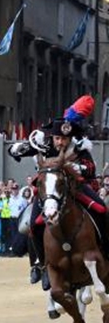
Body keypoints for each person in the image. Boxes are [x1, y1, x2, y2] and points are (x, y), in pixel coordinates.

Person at [9, 95, 105, 283]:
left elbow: (91, 168)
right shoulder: (44, 145)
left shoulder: (78, 148)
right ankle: (40, 265)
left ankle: (106, 249)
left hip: (75, 189)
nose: (60, 142)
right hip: (49, 192)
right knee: (34, 224)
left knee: (102, 209)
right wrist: (15, 149)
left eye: (64, 139)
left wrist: (79, 168)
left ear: (70, 138)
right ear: (52, 137)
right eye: (58, 138)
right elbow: (22, 149)